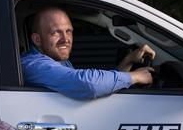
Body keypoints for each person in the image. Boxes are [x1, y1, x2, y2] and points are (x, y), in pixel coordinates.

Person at [20, 7, 155, 99]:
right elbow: (87, 84)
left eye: (69, 31)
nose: (65, 39)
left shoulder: (58, 60)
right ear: (37, 39)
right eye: (56, 33)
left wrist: (129, 60)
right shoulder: (34, 65)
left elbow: (101, 85)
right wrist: (134, 77)